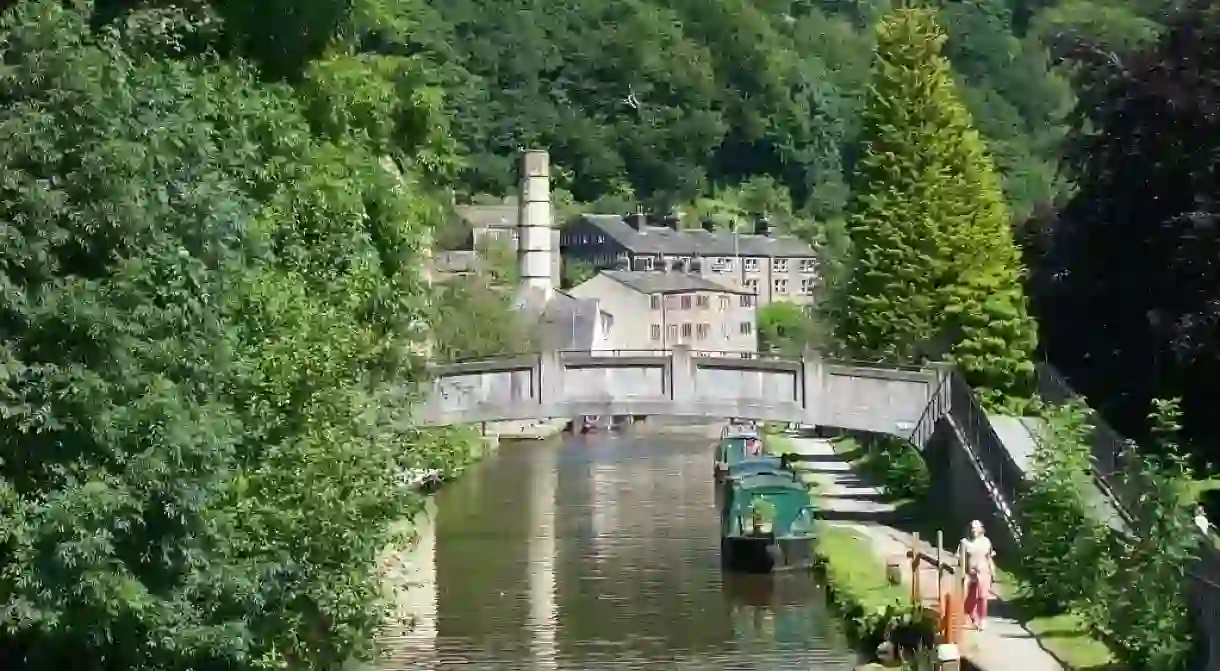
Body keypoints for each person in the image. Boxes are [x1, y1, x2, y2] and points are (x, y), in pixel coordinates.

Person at [961, 519, 996, 631]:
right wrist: (963, 574)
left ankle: (982, 620)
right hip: (970, 573)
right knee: (971, 598)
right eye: (972, 527)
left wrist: (993, 570)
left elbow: (989, 557)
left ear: (981, 529)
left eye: (976, 527)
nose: (973, 530)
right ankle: (973, 618)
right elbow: (962, 560)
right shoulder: (964, 542)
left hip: (984, 572)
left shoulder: (986, 541)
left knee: (983, 596)